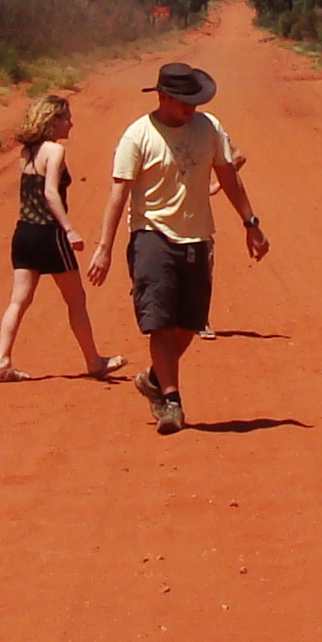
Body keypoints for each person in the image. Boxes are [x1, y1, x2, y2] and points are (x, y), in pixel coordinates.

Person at [86, 59, 269, 434]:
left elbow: (228, 177)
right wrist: (104, 247)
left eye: (195, 101)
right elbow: (118, 193)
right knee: (160, 323)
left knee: (189, 324)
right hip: (151, 236)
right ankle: (171, 402)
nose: (191, 108)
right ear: (162, 97)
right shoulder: (138, 136)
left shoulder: (209, 127)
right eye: (185, 101)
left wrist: (251, 224)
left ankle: (155, 378)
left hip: (197, 238)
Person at [0, 91, 126, 383]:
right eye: (67, 118)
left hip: (24, 232)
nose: (71, 124)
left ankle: (2, 362)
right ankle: (94, 361)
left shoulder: (27, 151)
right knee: (76, 300)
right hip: (49, 233)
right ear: (53, 120)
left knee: (18, 301)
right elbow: (50, 192)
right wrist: (69, 229)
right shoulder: (54, 151)